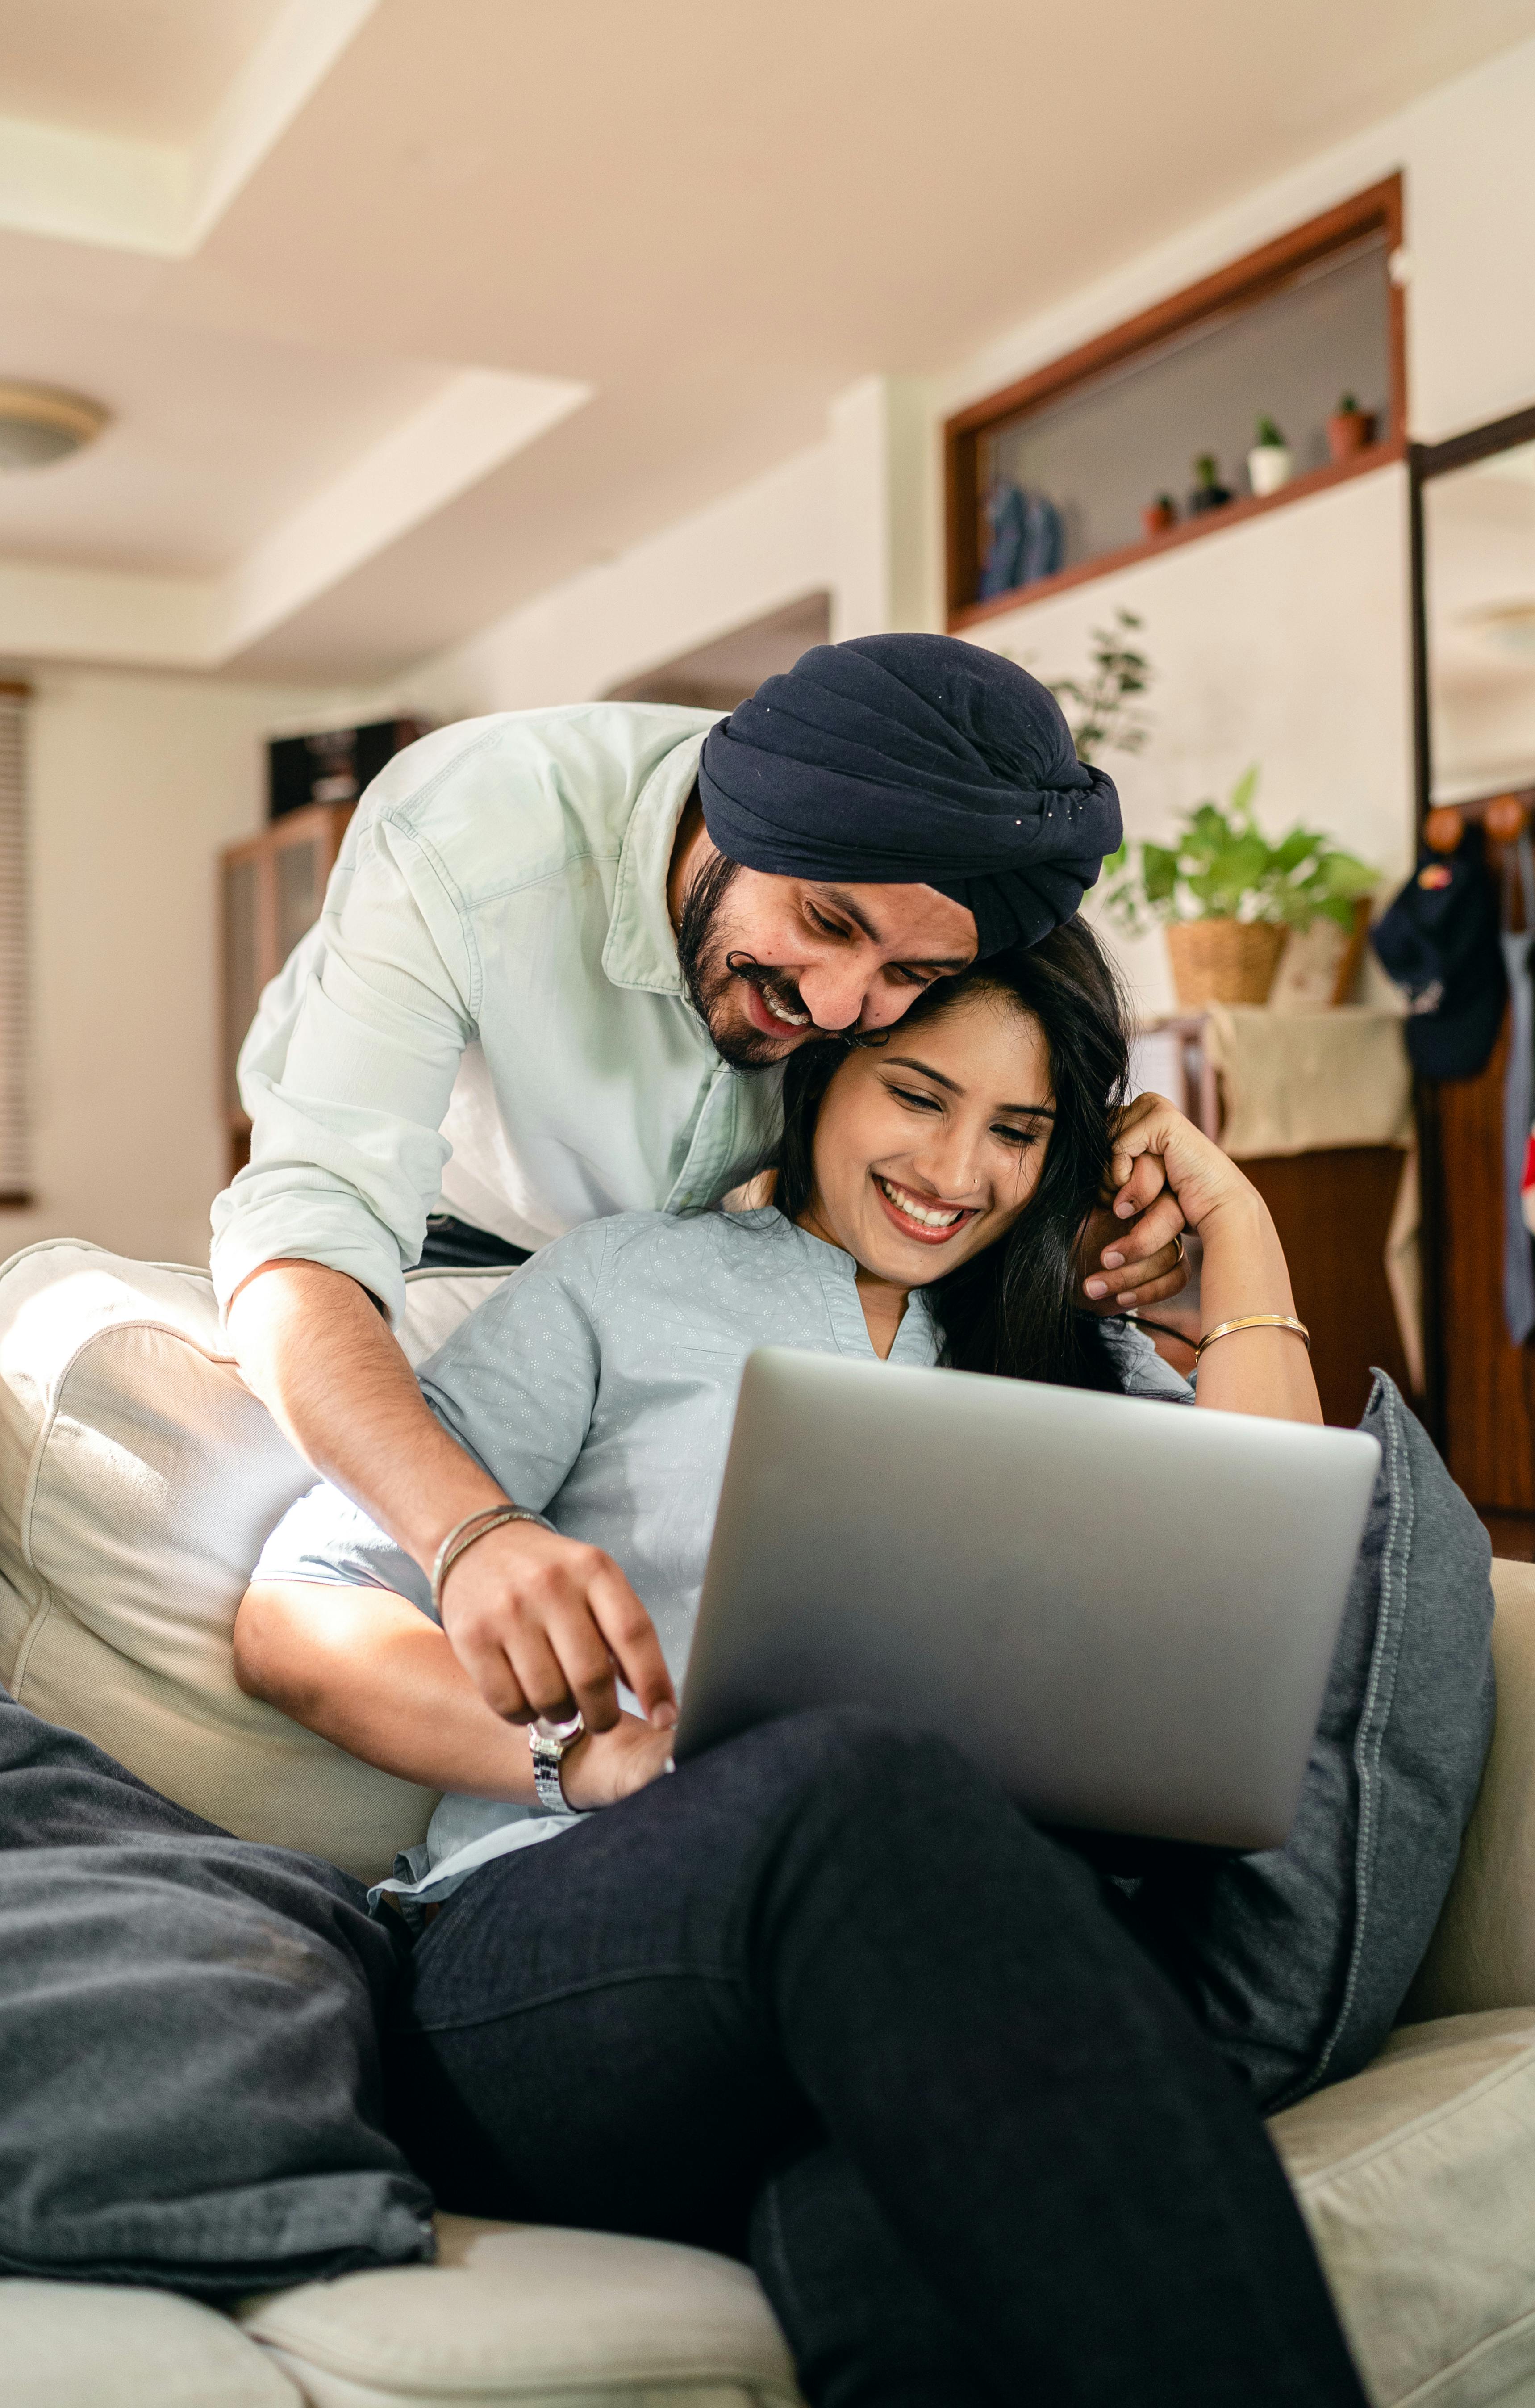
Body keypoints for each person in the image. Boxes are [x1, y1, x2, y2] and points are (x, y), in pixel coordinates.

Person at [234, 925, 1372, 2406]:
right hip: (547, 1971)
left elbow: (1259, 1597)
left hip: (896, 2006)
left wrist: (1236, 1224)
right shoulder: (624, 1284)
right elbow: (296, 1614)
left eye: (1018, 1131)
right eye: (917, 1095)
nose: (959, 1169)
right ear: (823, 1072)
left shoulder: (1063, 1354)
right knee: (859, 1772)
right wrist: (593, 1755)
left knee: (907, 2236)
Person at [214, 636, 1190, 1750]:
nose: (834, 1008)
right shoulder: (470, 838)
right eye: (826, 923)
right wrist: (472, 1532)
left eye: (907, 980)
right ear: (729, 822)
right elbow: (308, 1231)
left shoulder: (891, 984)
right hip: (436, 1237)